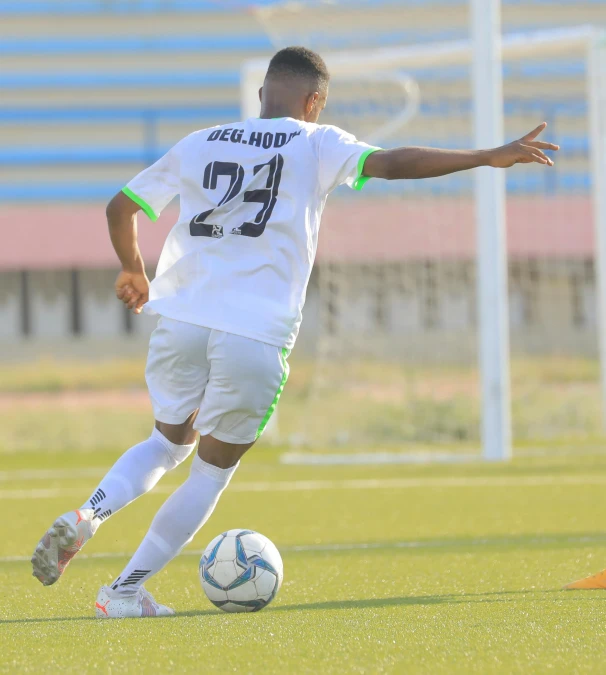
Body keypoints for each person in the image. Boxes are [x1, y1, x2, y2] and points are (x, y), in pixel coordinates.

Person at [31, 46, 559, 618]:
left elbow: (120, 207)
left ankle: (89, 514)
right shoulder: (316, 141)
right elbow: (392, 162)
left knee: (164, 443)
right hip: (254, 333)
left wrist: (134, 271)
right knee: (210, 470)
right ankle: (125, 591)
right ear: (315, 101)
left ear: (262, 95)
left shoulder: (202, 140)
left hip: (180, 320)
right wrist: (485, 155)